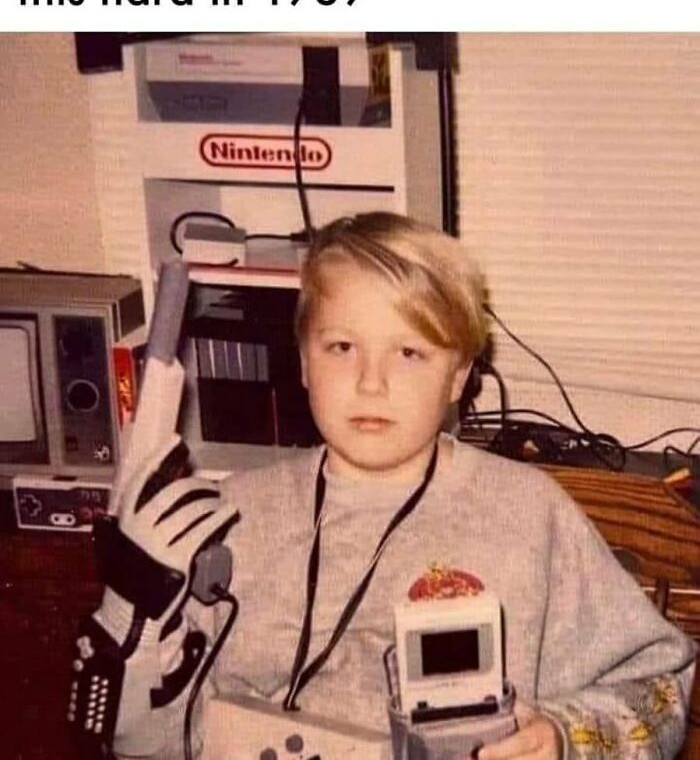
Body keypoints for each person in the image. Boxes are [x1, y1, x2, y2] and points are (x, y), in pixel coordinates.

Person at [91, 212, 696, 760]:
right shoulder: (228, 517)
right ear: (303, 361)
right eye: (342, 347)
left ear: (458, 377)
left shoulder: (527, 516)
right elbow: (147, 745)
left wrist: (561, 738)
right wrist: (132, 611)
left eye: (409, 352)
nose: (371, 382)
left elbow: (659, 689)